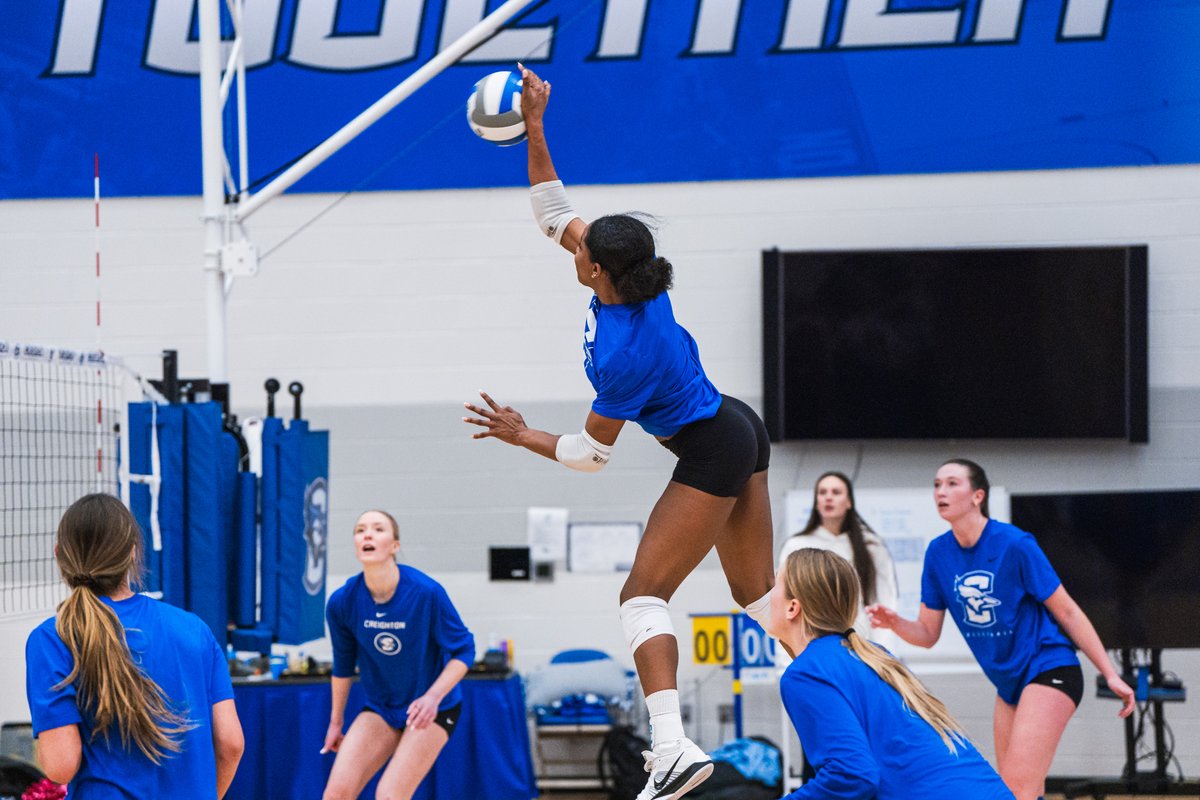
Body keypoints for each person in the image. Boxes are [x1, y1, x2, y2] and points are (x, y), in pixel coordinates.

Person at [462, 65, 775, 800]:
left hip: (711, 445)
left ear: (596, 267)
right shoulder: (634, 278)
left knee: (641, 598)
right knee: (761, 600)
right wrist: (535, 124)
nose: (569, 250)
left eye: (578, 251)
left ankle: (669, 750)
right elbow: (550, 209)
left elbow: (588, 456)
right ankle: (860, 688)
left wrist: (520, 434)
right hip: (738, 426)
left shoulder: (622, 358)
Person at [865, 459, 1136, 800]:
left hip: (1050, 668)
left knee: (1016, 788)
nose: (940, 492)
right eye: (936, 484)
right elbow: (927, 633)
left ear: (978, 496)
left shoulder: (1015, 544)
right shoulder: (938, 554)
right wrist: (895, 622)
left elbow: (1067, 611)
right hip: (1008, 684)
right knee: (1018, 790)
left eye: (951, 483)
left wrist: (1109, 673)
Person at [24, 493, 244, 799]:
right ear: (132, 553)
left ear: (59, 554)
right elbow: (231, 744)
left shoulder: (52, 637)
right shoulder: (194, 630)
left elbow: (61, 766)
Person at [768, 547, 1014, 799]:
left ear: (792, 608)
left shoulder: (805, 673)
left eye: (775, 583)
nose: (768, 594)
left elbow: (850, 776)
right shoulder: (870, 654)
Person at [322, 510, 475, 800]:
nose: (367, 534)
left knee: (390, 795)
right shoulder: (342, 601)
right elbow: (342, 666)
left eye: (378, 529)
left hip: (433, 706)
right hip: (382, 706)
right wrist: (336, 722)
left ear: (394, 545)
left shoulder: (426, 592)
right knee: (335, 794)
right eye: (360, 530)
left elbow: (464, 649)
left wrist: (433, 697)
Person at [778, 471, 898, 649]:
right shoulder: (796, 545)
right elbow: (784, 603)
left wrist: (884, 656)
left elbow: (885, 601)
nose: (828, 498)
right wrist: (787, 661)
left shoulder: (871, 546)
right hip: (810, 644)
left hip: (860, 643)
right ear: (816, 502)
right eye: (822, 492)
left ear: (849, 501)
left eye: (836, 492)